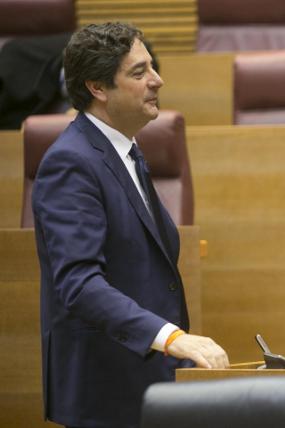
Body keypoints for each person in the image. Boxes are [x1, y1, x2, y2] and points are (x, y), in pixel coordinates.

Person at [32, 22, 229, 428]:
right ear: (98, 88)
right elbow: (80, 284)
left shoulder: (128, 151)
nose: (158, 80)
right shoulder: (71, 162)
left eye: (152, 67)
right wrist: (171, 338)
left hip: (142, 380)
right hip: (105, 389)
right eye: (139, 73)